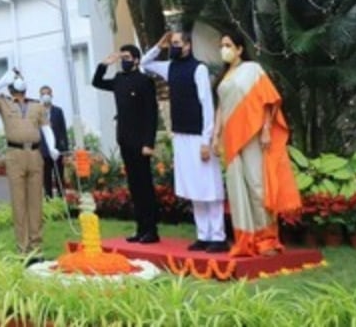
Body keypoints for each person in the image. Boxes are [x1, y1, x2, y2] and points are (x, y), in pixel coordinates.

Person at [213, 31, 301, 257]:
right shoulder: (224, 77)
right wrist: (215, 136)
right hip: (231, 139)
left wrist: (265, 130)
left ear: (240, 49)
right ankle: (246, 238)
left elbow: (270, 100)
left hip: (252, 135)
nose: (224, 49)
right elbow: (221, 109)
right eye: (222, 45)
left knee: (256, 185)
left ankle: (267, 239)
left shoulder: (252, 70)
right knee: (237, 188)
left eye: (228, 44)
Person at [142, 30, 227, 252]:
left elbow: (206, 104)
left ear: (188, 45)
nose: (174, 46)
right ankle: (203, 234)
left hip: (199, 134)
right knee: (193, 187)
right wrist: (159, 46)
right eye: (173, 43)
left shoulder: (199, 68)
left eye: (177, 43)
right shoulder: (170, 67)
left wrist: (207, 139)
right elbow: (145, 63)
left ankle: (218, 236)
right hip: (181, 135)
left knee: (209, 185)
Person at [0, 69, 57, 261]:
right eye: (15, 78)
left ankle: (36, 247)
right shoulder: (4, 103)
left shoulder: (37, 106)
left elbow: (46, 128)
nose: (19, 80)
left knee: (35, 202)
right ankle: (22, 249)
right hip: (15, 155)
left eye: (20, 77)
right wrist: (1, 81)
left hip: (35, 154)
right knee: (19, 203)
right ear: (10, 84)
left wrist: (53, 147)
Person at [93, 46, 160, 244]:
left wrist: (149, 142)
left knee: (144, 186)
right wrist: (104, 64)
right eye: (122, 58)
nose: (124, 61)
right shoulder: (120, 80)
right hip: (125, 139)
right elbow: (97, 82)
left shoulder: (144, 81)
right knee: (134, 186)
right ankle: (140, 228)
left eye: (128, 57)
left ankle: (151, 230)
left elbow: (151, 114)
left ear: (137, 60)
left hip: (141, 142)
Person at [39, 86, 70, 198]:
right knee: (46, 179)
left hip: (57, 151)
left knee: (59, 178)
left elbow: (63, 131)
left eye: (47, 93)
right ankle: (49, 200)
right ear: (40, 96)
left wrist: (65, 150)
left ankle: (61, 200)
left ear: (51, 95)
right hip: (43, 151)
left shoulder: (58, 111)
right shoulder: (37, 112)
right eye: (43, 94)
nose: (45, 96)